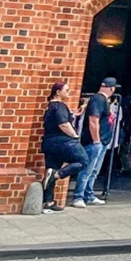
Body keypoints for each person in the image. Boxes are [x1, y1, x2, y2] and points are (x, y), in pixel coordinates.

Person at [41, 82, 88, 214]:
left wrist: (75, 113)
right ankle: (57, 175)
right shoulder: (60, 106)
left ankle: (48, 203)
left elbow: (59, 119)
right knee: (83, 162)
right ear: (57, 92)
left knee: (51, 169)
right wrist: (75, 136)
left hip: (49, 143)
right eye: (66, 90)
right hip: (62, 142)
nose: (69, 92)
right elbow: (63, 124)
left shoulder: (50, 106)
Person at [72, 77, 118, 208]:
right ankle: (78, 196)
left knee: (93, 171)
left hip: (101, 141)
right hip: (95, 142)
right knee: (87, 170)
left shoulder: (102, 100)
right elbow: (93, 121)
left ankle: (88, 194)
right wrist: (96, 140)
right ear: (112, 88)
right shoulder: (98, 99)